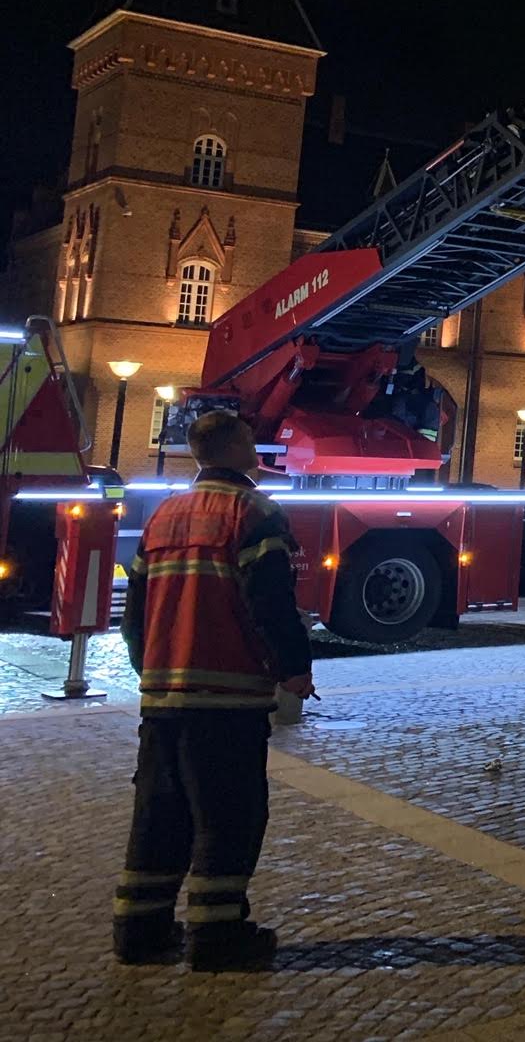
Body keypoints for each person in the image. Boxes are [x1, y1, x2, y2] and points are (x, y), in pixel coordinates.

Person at [114, 410, 313, 971]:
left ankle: (140, 931)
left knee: (160, 813)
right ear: (232, 448)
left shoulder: (165, 515)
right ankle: (217, 936)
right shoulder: (254, 512)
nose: (256, 447)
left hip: (163, 697)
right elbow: (270, 601)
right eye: (249, 439)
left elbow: (135, 612)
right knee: (229, 815)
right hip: (227, 697)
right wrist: (294, 667)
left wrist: (150, 668)